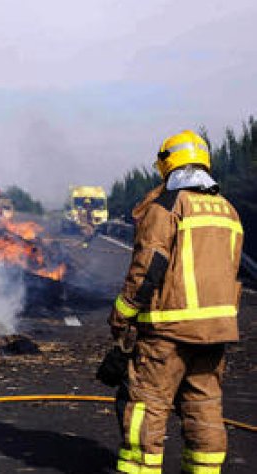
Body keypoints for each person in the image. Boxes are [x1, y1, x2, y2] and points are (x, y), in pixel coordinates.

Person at [109, 130, 243, 474]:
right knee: (204, 406)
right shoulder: (228, 210)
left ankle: (141, 468)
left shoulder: (168, 206)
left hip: (168, 330)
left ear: (167, 165)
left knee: (147, 405)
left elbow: (147, 268)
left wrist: (122, 315)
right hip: (216, 331)